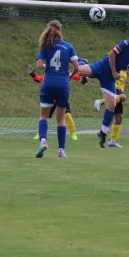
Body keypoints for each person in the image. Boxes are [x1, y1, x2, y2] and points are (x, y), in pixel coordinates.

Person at [77, 31, 129, 148]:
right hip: (101, 67)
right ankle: (81, 62)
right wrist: (114, 72)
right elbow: (111, 55)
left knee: (111, 105)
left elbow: (128, 69)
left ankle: (103, 132)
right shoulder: (125, 43)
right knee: (78, 69)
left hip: (109, 79)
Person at [34, 22, 79, 159]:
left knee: (43, 116)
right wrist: (69, 76)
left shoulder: (45, 46)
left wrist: (49, 65)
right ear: (60, 30)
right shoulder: (69, 46)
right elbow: (77, 68)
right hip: (63, 84)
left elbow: (39, 65)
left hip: (48, 83)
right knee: (61, 119)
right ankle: (61, 150)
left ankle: (43, 141)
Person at [25, 63, 86, 141]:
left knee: (67, 115)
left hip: (62, 97)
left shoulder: (64, 72)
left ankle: (73, 134)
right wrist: (32, 73)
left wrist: (83, 77)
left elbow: (77, 76)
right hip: (51, 99)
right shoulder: (48, 76)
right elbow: (37, 79)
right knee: (44, 117)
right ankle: (40, 134)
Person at [94, 69, 128, 148]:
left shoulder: (126, 66)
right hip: (113, 88)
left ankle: (112, 141)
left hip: (118, 91)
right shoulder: (115, 63)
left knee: (119, 117)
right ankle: (101, 101)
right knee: (123, 97)